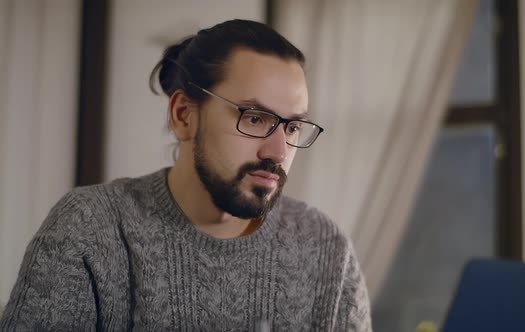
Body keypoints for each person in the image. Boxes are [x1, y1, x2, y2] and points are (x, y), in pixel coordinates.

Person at [0, 19, 371, 331]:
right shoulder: (88, 228)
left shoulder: (327, 250)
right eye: (255, 118)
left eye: (292, 127)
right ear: (183, 115)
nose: (277, 152)